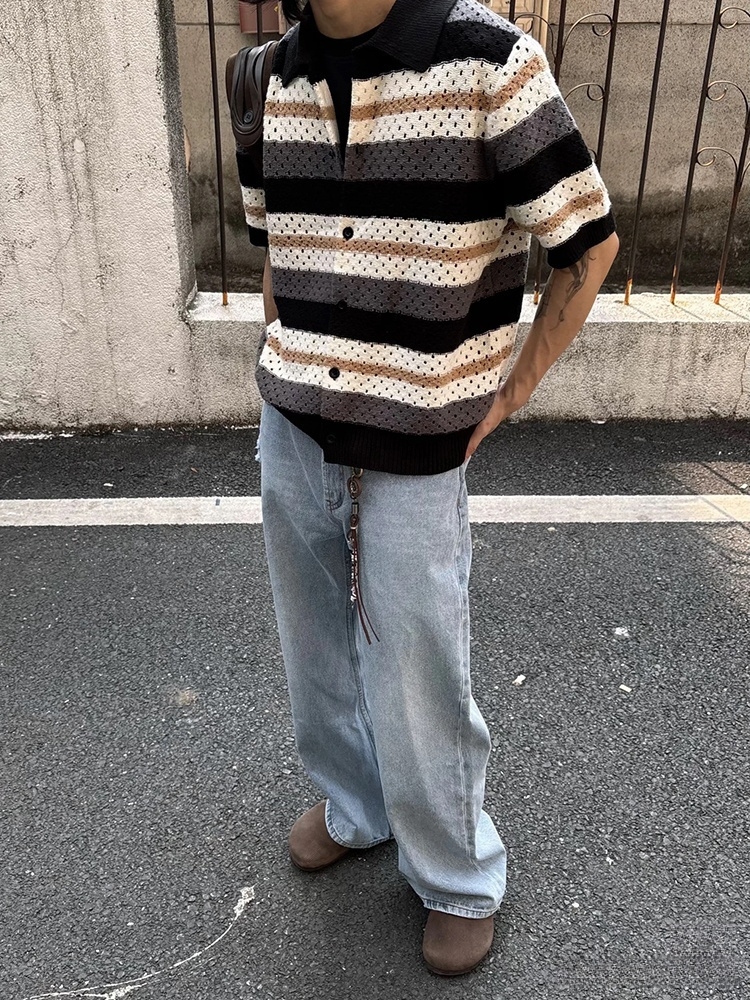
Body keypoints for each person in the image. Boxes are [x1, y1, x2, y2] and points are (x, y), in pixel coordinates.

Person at [235, 0, 619, 976]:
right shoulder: (264, 79)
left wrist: (510, 391)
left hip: (416, 443)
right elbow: (276, 245)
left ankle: (456, 873)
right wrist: (286, 352)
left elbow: (588, 242)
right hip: (293, 428)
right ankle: (356, 806)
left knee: (417, 672)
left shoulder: (489, 63)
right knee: (315, 649)